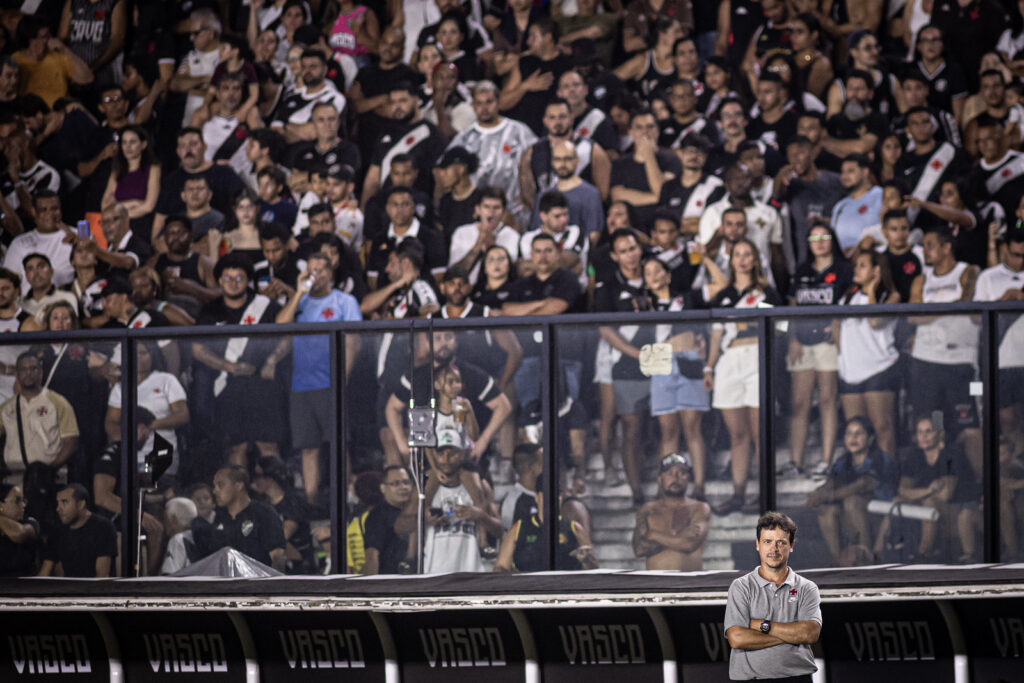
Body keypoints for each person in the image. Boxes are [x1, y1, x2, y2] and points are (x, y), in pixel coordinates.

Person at [704, 239, 784, 515]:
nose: (742, 259)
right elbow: (716, 334)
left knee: (759, 432)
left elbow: (780, 327)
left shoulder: (767, 292)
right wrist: (709, 367)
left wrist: (748, 322)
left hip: (756, 357)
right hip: (729, 362)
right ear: (731, 259)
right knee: (737, 434)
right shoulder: (722, 294)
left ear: (755, 259)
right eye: (737, 254)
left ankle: (764, 496)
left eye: (747, 254)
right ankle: (738, 493)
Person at [277, 253, 362, 504]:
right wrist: (297, 293)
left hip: (331, 383)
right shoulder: (300, 303)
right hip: (301, 384)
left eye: (319, 270)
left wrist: (340, 380)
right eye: (310, 270)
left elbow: (354, 342)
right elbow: (280, 326)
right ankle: (312, 500)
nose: (315, 274)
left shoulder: (344, 301)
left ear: (330, 273)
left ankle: (346, 494)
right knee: (308, 446)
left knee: (337, 444)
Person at [907, 226, 981, 474]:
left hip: (960, 364)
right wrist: (952, 307)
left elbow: (968, 305)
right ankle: (941, 479)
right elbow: (914, 317)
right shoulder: (922, 278)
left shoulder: (968, 272)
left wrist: (936, 311)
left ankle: (980, 486)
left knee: (969, 426)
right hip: (926, 363)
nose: (925, 251)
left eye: (930, 244)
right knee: (934, 424)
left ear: (947, 246)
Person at [783, 225, 851, 477]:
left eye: (825, 237)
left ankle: (826, 460)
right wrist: (792, 339)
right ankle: (795, 462)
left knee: (827, 400)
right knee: (798, 403)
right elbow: (790, 308)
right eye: (814, 237)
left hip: (828, 341)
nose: (820, 242)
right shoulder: (802, 271)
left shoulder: (844, 270)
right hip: (801, 342)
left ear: (832, 239)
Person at [724, 511, 821, 682]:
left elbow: (809, 634)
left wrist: (762, 625)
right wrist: (791, 636)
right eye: (767, 542)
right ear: (757, 545)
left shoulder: (807, 588)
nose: (773, 549)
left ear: (791, 545)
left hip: (797, 677)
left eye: (781, 542)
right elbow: (737, 638)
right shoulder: (741, 587)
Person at [836, 248, 901, 458]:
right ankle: (863, 480)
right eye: (855, 265)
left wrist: (872, 289)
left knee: (882, 428)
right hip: (851, 371)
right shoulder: (848, 297)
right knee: (856, 431)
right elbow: (835, 325)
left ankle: (886, 481)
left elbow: (874, 321)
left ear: (876, 270)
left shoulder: (891, 297)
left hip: (879, 368)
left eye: (862, 265)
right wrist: (842, 355)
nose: (856, 269)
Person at [806, 417, 896, 565]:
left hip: (881, 521)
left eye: (858, 433)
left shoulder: (879, 458)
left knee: (852, 502)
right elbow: (831, 483)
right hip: (852, 519)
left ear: (870, 439)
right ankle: (837, 561)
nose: (853, 438)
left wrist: (825, 496)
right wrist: (818, 493)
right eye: (849, 434)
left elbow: (863, 485)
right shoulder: (843, 461)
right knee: (826, 510)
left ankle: (866, 558)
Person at [893, 414, 982, 562]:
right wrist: (929, 490)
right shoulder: (914, 456)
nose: (924, 436)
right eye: (920, 432)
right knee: (899, 502)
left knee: (929, 504)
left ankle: (923, 554)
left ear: (940, 433)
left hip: (958, 513)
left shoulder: (952, 453)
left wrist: (916, 494)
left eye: (929, 431)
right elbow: (901, 491)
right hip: (935, 513)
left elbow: (946, 494)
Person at [0, 352, 79, 491]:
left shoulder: (58, 402)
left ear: (41, 372)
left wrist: (50, 469)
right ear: (17, 374)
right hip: (14, 478)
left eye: (33, 368)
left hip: (50, 478)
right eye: (23, 369)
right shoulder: (6, 407)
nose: (28, 373)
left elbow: (71, 441)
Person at [494, 472, 597, 572]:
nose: (551, 499)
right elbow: (500, 567)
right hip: (529, 587)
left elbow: (593, 570)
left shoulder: (574, 529)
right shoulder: (519, 529)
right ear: (536, 497)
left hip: (565, 586)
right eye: (546, 495)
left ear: (560, 498)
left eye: (556, 494)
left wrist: (587, 561)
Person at [632, 453, 711, 571]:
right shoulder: (647, 509)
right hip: (655, 583)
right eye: (669, 473)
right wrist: (682, 535)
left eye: (681, 473)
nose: (675, 478)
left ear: (688, 478)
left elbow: (689, 544)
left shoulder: (700, 508)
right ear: (660, 479)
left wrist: (652, 534)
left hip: (691, 583)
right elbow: (640, 549)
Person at [205, 465, 286, 571]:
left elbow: (277, 557)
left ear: (238, 486)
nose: (215, 491)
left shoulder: (263, 514)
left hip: (258, 583)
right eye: (214, 486)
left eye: (220, 485)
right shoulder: (220, 518)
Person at [2, 191, 74, 294]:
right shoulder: (19, 243)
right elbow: (7, 281)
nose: (49, 214)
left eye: (54, 209)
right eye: (43, 210)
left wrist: (78, 243)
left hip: (64, 304)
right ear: (33, 212)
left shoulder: (76, 236)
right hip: (27, 305)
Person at [253, 456, 315, 574]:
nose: (254, 481)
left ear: (270, 477)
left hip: (299, 566)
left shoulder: (293, 503)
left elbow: (282, 536)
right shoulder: (261, 505)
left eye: (258, 476)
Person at [39, 484, 117, 577]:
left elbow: (102, 576)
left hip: (95, 589)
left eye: (64, 502)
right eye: (58, 503)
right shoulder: (58, 531)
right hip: (69, 589)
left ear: (81, 504)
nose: (58, 509)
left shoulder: (103, 527)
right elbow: (44, 573)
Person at [448, 187, 520, 286]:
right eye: (486, 207)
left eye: (496, 208)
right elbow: (454, 274)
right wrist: (478, 245)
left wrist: (492, 248)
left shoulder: (512, 236)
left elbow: (511, 273)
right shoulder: (461, 233)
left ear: (503, 211)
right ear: (478, 210)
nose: (491, 212)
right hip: (467, 289)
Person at [361, 465, 417, 574]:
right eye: (395, 483)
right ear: (383, 488)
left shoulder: (416, 510)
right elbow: (371, 556)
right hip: (389, 581)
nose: (403, 487)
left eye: (406, 482)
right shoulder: (377, 516)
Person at [830, 154, 883, 255]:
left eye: (850, 171)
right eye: (842, 172)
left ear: (865, 172)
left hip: (873, 258)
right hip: (844, 264)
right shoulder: (839, 206)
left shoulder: (880, 195)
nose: (845, 176)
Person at [0, 482, 39, 576]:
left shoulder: (30, 523)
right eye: (17, 500)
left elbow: (19, 534)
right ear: (1, 505)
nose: (23, 505)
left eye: (23, 500)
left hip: (24, 586)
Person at [160, 497, 199, 575]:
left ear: (174, 519)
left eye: (165, 518)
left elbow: (169, 576)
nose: (163, 522)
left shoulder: (177, 540)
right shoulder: (196, 537)